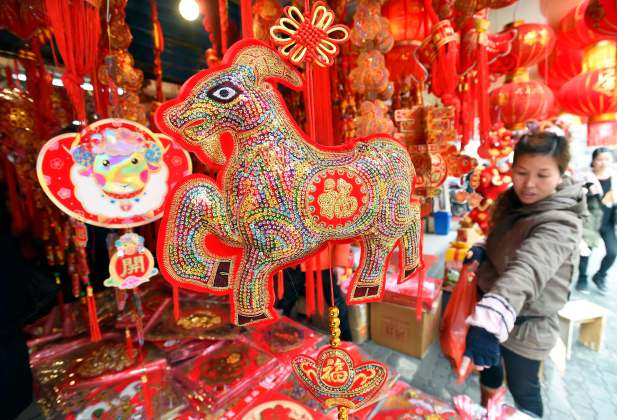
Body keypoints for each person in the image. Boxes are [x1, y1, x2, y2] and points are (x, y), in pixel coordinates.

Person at [461, 132, 586, 418]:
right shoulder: (512, 202)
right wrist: (484, 249)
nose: (529, 184)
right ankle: (487, 412)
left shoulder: (561, 221)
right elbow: (503, 240)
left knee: (523, 389)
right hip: (495, 309)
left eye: (542, 174)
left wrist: (489, 322)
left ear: (560, 174)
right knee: (489, 374)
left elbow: (527, 268)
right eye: (521, 173)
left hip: (527, 324)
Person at [275, 244, 353, 341]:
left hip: (324, 258)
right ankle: (277, 335)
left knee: (336, 303)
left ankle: (347, 342)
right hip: (295, 258)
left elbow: (342, 232)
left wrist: (340, 263)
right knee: (286, 299)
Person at [575, 148, 617, 294]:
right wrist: (587, 190)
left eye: (607, 159)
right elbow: (574, 195)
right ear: (593, 161)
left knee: (613, 252)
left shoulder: (615, 178)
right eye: (600, 159)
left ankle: (600, 276)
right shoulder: (585, 176)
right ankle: (582, 278)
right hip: (590, 220)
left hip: (608, 221)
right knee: (585, 252)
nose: (604, 163)